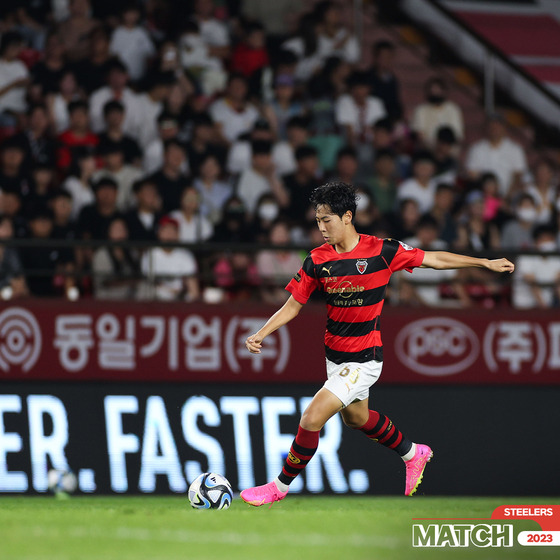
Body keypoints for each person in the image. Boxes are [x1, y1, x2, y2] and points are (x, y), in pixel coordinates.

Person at [239, 181, 514, 506]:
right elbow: (293, 305)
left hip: (364, 360)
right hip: (335, 359)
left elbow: (434, 259)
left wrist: (484, 263)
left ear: (347, 217)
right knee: (356, 419)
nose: (322, 228)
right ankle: (413, 453)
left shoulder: (382, 250)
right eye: (317, 221)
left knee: (311, 418)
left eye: (327, 220)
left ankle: (279, 487)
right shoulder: (316, 259)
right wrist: (261, 333)